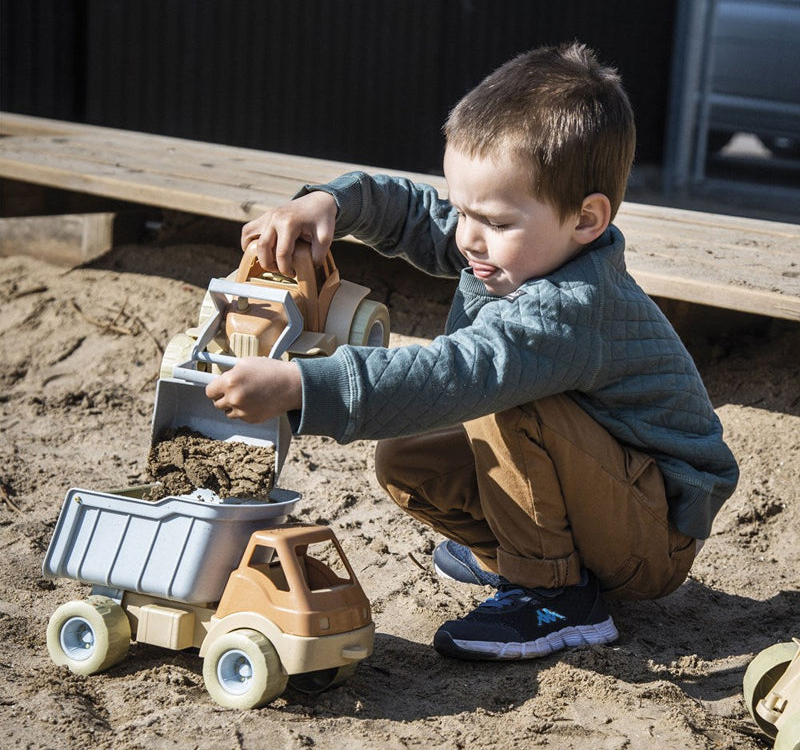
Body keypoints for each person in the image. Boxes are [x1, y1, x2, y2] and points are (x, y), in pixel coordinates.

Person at [206, 42, 739, 662]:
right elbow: (412, 213)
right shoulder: (514, 244)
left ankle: (556, 595)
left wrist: (304, 385)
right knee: (408, 458)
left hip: (654, 533)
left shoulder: (569, 308)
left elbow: (457, 373)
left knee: (506, 398)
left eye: (495, 222)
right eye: (462, 210)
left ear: (586, 220)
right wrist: (330, 203)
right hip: (604, 494)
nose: (468, 237)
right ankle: (517, 554)